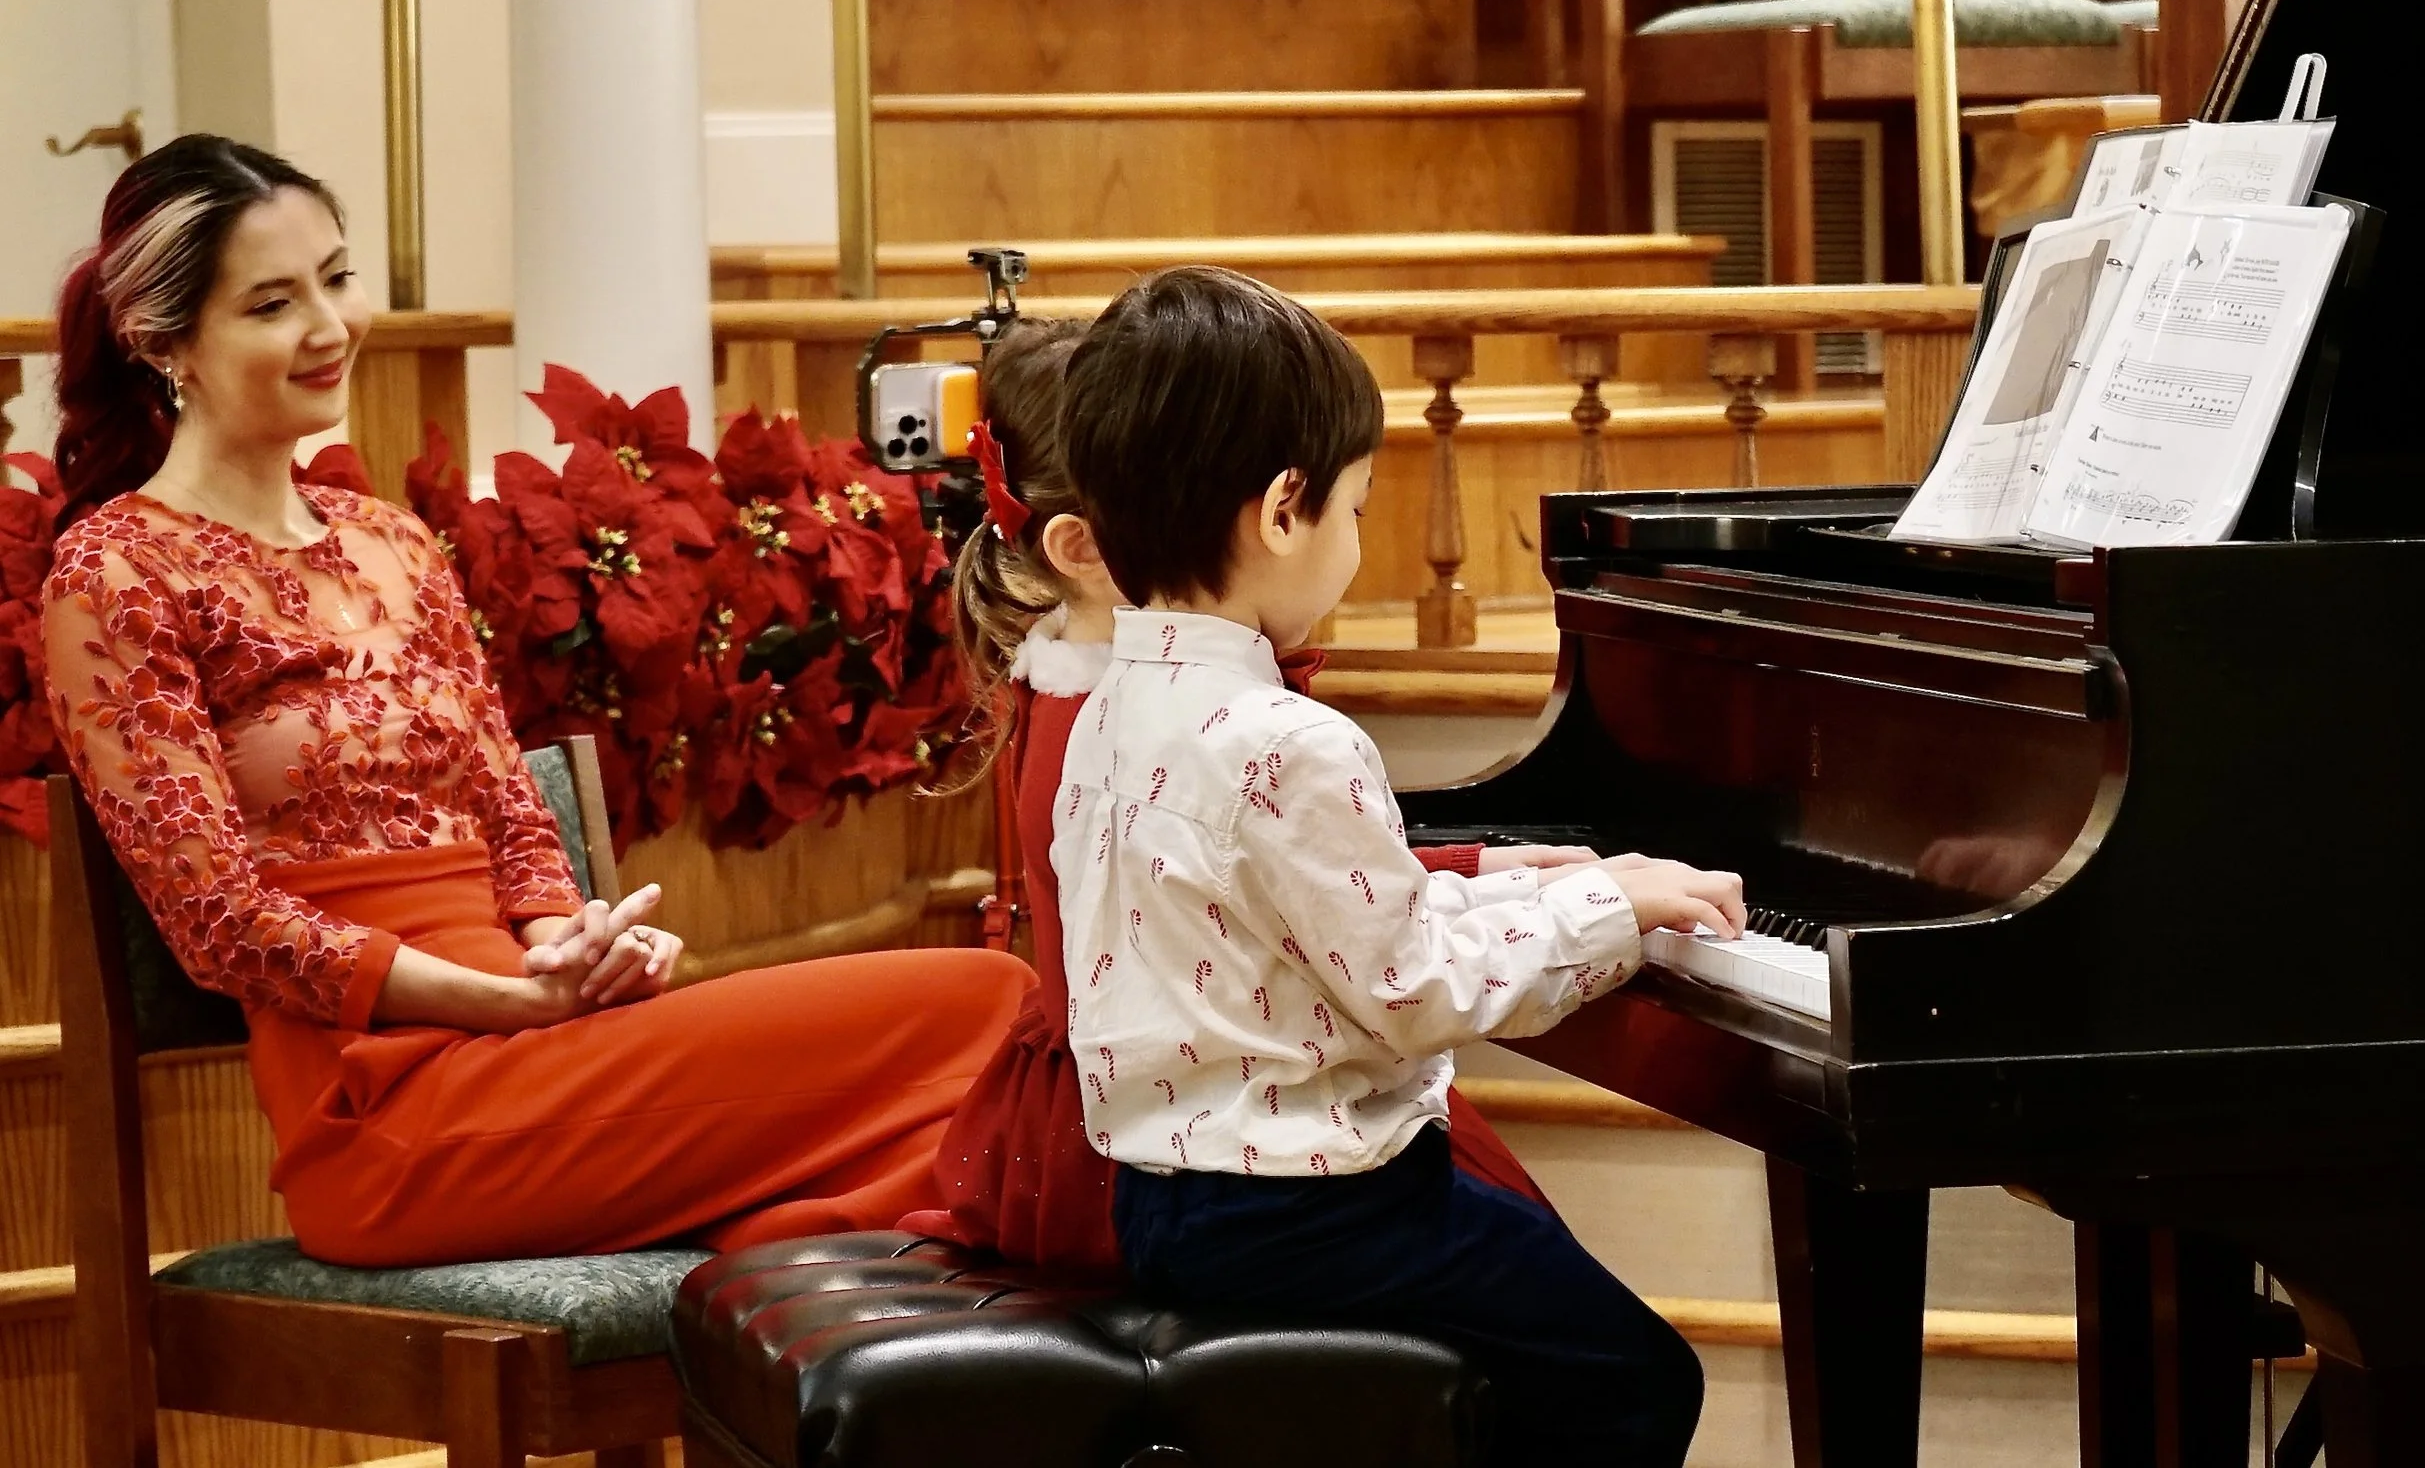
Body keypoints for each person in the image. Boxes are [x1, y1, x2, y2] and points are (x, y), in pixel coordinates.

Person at [39, 134, 1030, 1267]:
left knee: (986, 1035)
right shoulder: (117, 570)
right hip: (390, 1120)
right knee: (984, 1009)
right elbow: (222, 925)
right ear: (163, 341)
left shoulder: (392, 544)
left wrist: (575, 949)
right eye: (272, 303)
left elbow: (514, 822)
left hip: (538, 1047)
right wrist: (498, 1003)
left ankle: (775, 1282)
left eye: (337, 276)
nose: (330, 325)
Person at [1054, 266, 1745, 1465]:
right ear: (1282, 510)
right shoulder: (1290, 738)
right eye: (1359, 508)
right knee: (1634, 1377)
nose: (1357, 540)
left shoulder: (1110, 711)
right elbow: (1414, 988)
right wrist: (1606, 906)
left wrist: (1529, 887)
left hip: (1164, 1200)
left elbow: (1315, 922)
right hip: (1316, 1211)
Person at [909, 318, 1578, 1278]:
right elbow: (1281, 911)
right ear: (1085, 545)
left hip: (1185, 1080)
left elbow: (1256, 882)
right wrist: (1564, 905)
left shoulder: (1109, 694)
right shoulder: (1121, 715)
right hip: (1172, 1131)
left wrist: (1473, 869)